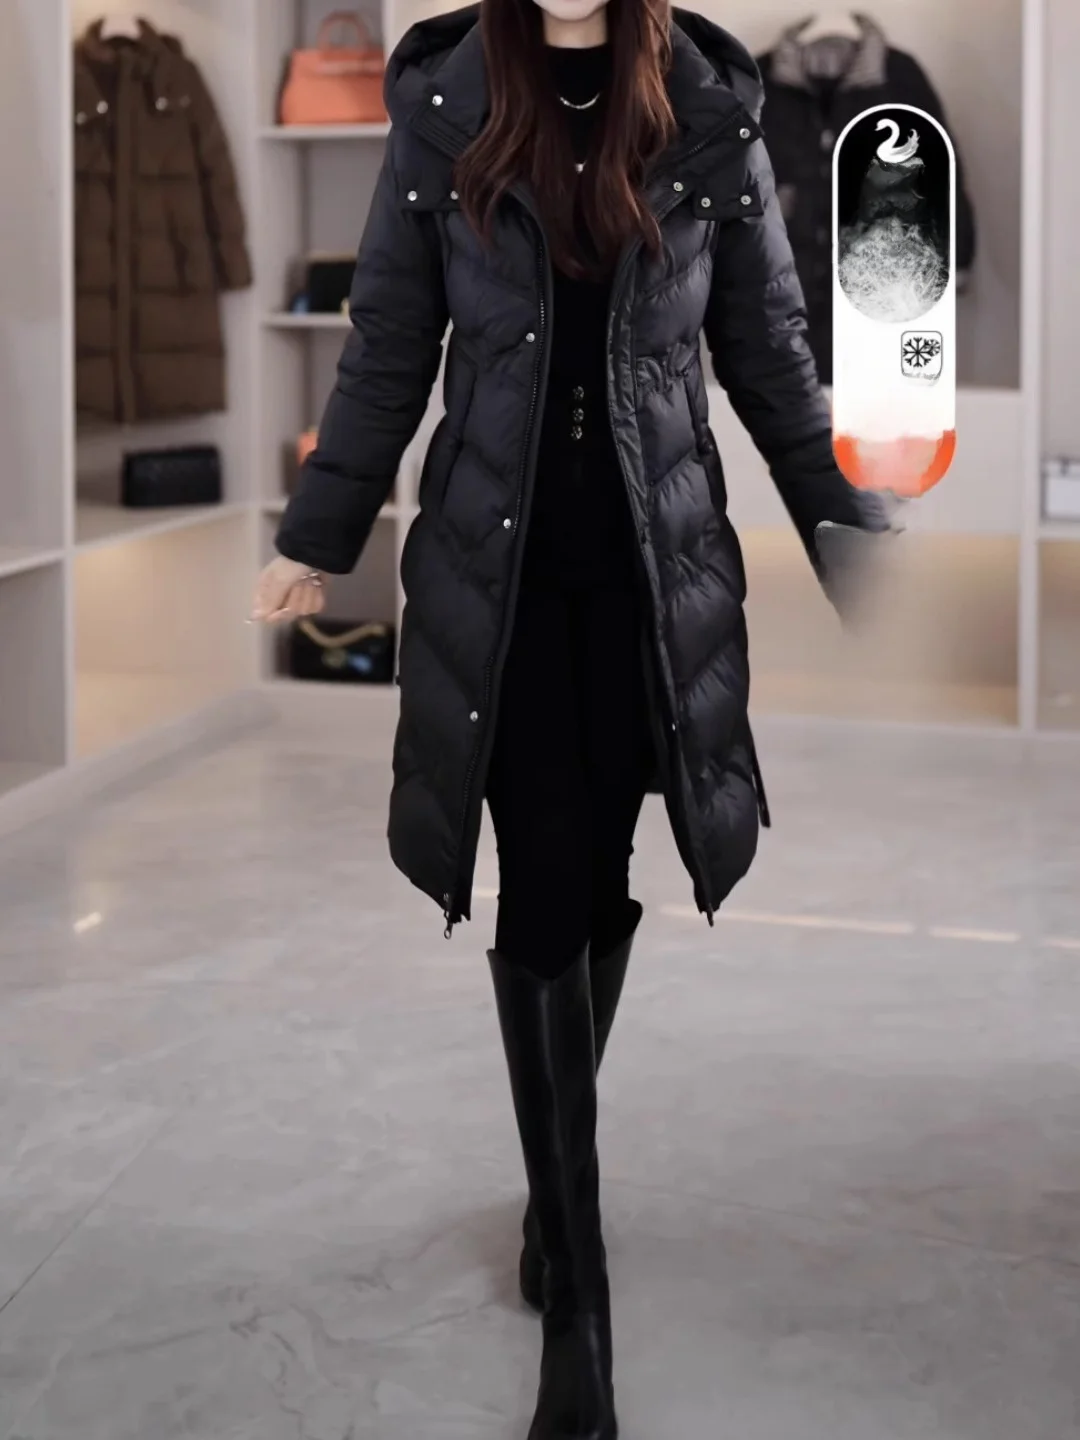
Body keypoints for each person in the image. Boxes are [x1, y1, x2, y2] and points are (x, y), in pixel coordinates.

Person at [251, 0, 887, 1433]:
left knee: (599, 885)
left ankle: (555, 1196)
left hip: (656, 579)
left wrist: (848, 535)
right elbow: (389, 342)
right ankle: (580, 1300)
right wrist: (318, 532)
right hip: (506, 580)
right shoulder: (448, 102)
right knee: (543, 887)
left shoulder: (709, 104)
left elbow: (770, 350)